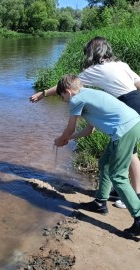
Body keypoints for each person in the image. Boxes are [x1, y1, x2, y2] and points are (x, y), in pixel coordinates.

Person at [30, 36, 140, 210]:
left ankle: (134, 196)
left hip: (125, 107)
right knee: (111, 158)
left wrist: (44, 93)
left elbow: (68, 86)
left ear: (91, 53)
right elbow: (138, 83)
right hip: (134, 101)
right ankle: (105, 199)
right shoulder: (121, 65)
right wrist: (69, 138)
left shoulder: (93, 72)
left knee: (129, 154)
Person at [55, 74, 140, 236]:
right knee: (104, 163)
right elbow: (89, 130)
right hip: (133, 124)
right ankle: (100, 202)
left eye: (62, 97)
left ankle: (139, 216)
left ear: (68, 92)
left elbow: (70, 129)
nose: (64, 101)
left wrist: (61, 139)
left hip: (124, 131)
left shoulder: (75, 100)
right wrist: (68, 140)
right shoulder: (88, 93)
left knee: (118, 175)